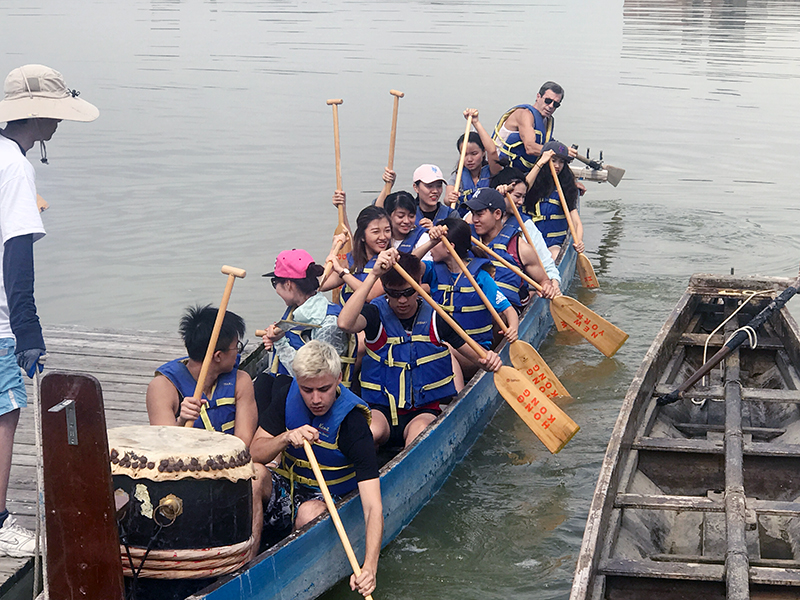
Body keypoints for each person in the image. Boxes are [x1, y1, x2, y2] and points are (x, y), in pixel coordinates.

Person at [0, 64, 98, 556]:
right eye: (54, 115)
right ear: (35, 116)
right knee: (4, 414)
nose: (58, 124)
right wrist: (27, 330)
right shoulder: (15, 165)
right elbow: (17, 254)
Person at [250, 340, 382, 598]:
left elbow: (373, 506)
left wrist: (370, 568)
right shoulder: (287, 396)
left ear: (339, 378)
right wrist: (285, 438)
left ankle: (292, 576)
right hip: (289, 486)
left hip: (330, 497)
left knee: (309, 512)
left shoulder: (352, 424)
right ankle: (248, 565)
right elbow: (254, 452)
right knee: (254, 475)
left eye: (324, 389)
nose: (316, 399)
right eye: (307, 390)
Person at [337, 249, 501, 450]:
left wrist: (490, 360)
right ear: (385, 291)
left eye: (408, 292)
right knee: (370, 433)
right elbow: (345, 323)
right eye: (394, 294)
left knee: (416, 437)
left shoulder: (437, 317)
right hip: (382, 409)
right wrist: (374, 275)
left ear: (419, 284)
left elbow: (478, 358)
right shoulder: (374, 314)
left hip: (423, 410)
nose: (402, 301)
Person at [146, 305, 264, 558]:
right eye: (236, 347)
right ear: (218, 355)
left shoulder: (240, 381)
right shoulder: (163, 386)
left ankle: (247, 562)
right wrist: (180, 423)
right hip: (185, 477)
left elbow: (243, 444)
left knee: (257, 477)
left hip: (230, 471)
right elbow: (163, 450)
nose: (239, 353)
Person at [419, 218, 519, 381]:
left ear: (449, 247)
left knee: (444, 347)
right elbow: (406, 267)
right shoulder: (433, 271)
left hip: (476, 353)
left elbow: (509, 310)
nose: (432, 247)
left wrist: (513, 329)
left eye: (436, 243)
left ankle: (458, 394)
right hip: (442, 349)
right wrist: (431, 242)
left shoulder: (480, 277)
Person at [260, 249, 357, 388]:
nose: (275, 289)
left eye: (275, 282)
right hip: (289, 386)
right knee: (262, 383)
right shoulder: (296, 309)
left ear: (288, 284)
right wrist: (273, 342)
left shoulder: (328, 323)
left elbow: (315, 376)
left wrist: (280, 343)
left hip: (314, 394)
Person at [468, 188, 559, 310]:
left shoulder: (521, 248)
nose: (474, 220)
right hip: (470, 306)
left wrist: (547, 287)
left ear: (497, 214)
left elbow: (544, 281)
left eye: (479, 215)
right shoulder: (466, 238)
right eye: (473, 214)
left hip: (503, 314)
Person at [491, 166, 562, 292]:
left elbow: (546, 264)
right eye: (517, 196)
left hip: (513, 291)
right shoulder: (479, 217)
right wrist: (494, 197)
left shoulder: (525, 225)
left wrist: (554, 283)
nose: (520, 202)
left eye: (523, 197)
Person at [491, 81, 575, 173]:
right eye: (548, 101)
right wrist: (560, 153)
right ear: (538, 97)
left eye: (556, 104)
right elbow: (530, 147)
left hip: (524, 171)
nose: (551, 106)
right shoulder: (525, 114)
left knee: (571, 184)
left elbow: (546, 143)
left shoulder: (547, 120)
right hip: (501, 169)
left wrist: (564, 150)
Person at [523, 140, 585, 260]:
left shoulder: (567, 187)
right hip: (531, 242)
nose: (557, 165)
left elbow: (576, 222)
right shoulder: (531, 181)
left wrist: (579, 241)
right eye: (553, 160)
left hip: (553, 245)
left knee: (555, 256)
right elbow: (524, 189)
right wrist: (541, 162)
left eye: (561, 162)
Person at [321, 205, 392, 306]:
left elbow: (370, 295)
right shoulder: (352, 259)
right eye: (376, 232)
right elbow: (321, 285)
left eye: (387, 231)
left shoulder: (391, 261)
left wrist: (342, 272)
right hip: (343, 318)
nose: (383, 237)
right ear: (362, 236)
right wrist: (333, 251)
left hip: (370, 319)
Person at [445, 109, 503, 216]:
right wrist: (450, 198)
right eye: (465, 154)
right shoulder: (457, 176)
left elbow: (492, 150)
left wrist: (475, 122)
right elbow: (447, 199)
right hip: (463, 223)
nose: (469, 159)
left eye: (474, 153)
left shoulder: (492, 171)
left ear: (483, 152)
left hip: (487, 223)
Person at [384, 190, 432, 258]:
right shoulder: (382, 240)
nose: (406, 221)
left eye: (411, 216)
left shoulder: (424, 239)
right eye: (400, 216)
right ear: (388, 216)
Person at [411, 164, 458, 229]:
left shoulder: (451, 215)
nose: (435, 191)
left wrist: (435, 232)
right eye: (429, 186)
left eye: (439, 186)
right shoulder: (408, 215)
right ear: (416, 187)